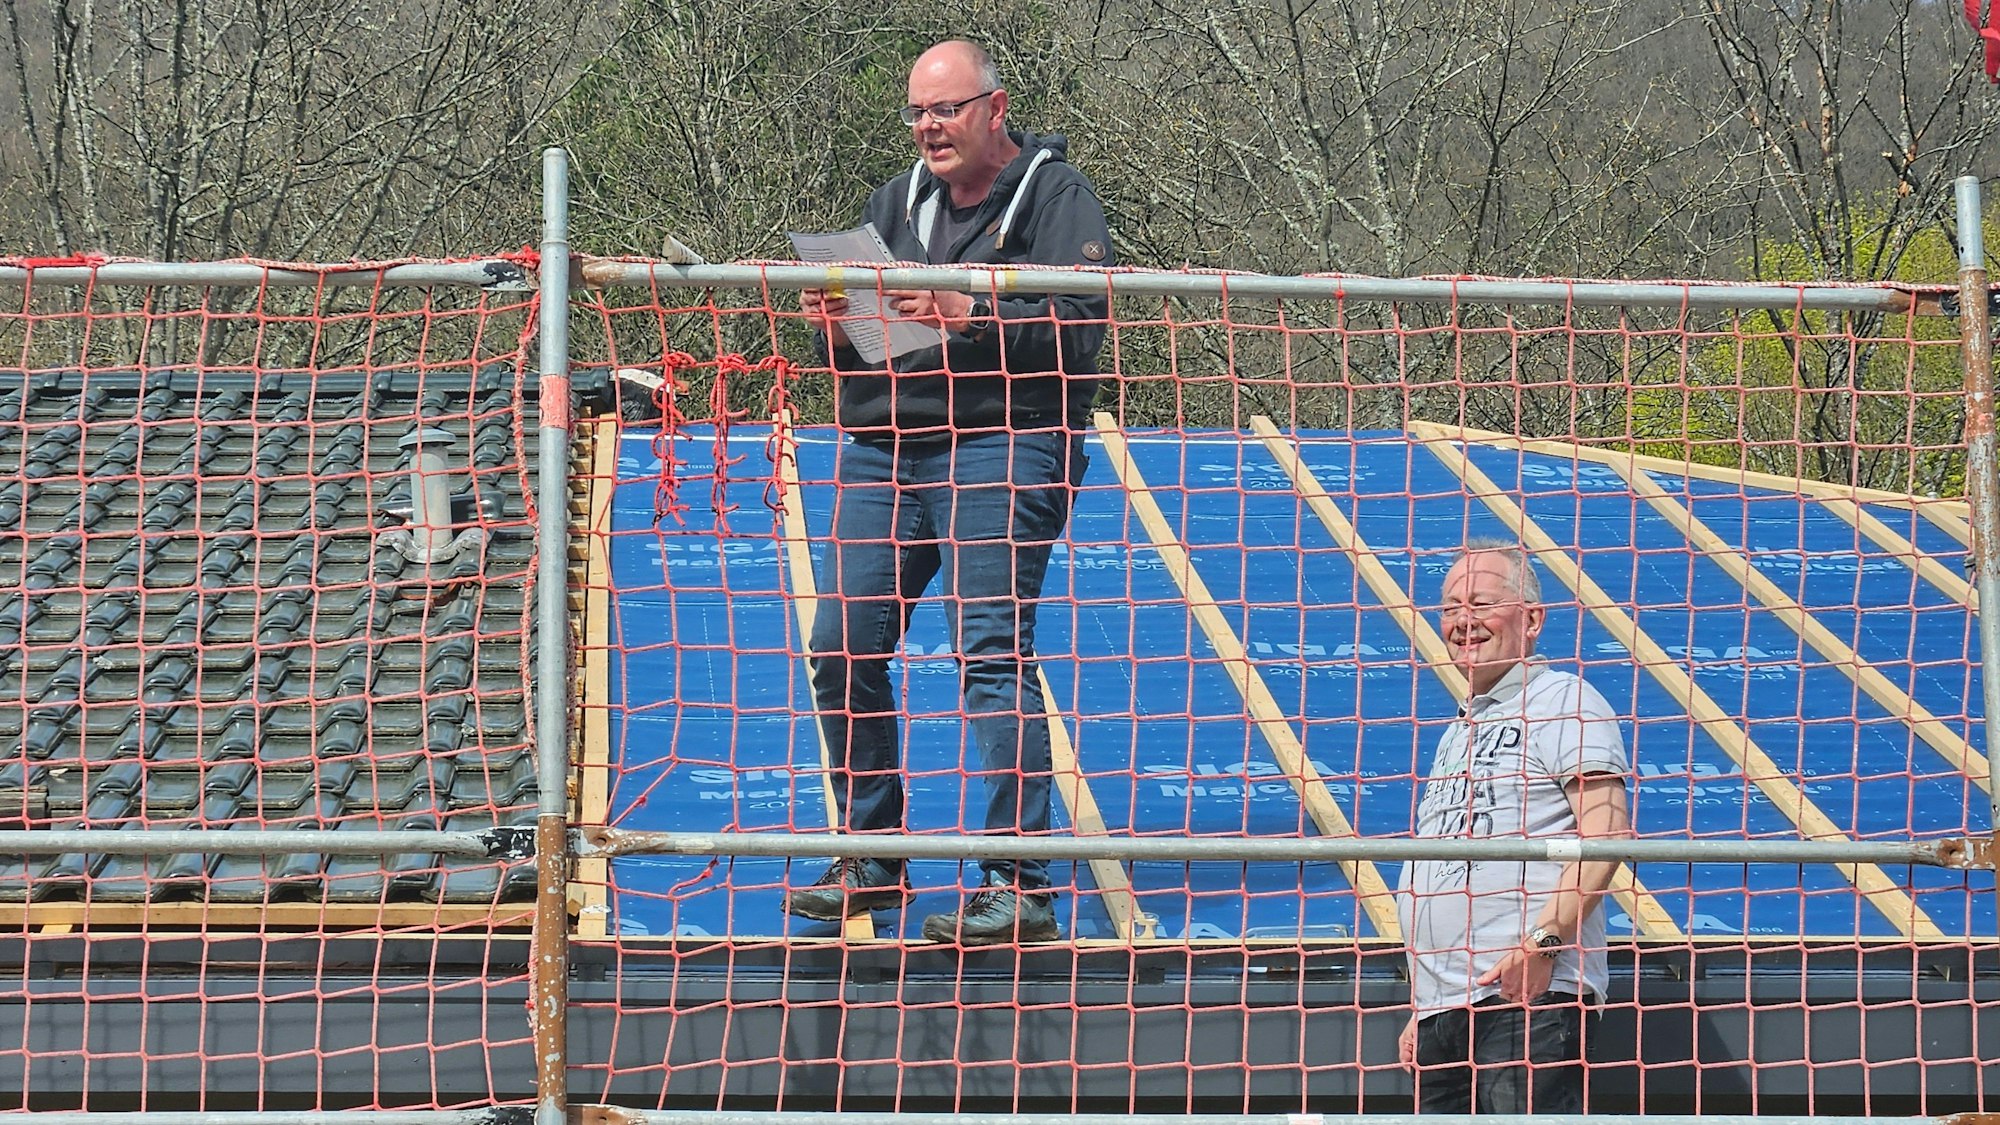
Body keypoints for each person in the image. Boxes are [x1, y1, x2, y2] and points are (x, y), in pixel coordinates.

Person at [784, 39, 1113, 945]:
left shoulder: (1055, 193)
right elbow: (866, 344)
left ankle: (1017, 882)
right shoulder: (894, 204)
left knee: (989, 652)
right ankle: (873, 857)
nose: (930, 127)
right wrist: (836, 327)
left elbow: (1082, 328)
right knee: (841, 641)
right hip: (885, 449)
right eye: (918, 113)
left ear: (995, 109)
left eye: (947, 110)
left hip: (1003, 447)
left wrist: (972, 315)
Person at [1396, 540, 1632, 1112]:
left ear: (1531, 619)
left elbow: (1608, 833)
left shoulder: (1564, 700)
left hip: (1528, 998)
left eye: (1480, 603)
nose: (1462, 622)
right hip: (1445, 1011)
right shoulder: (1461, 729)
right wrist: (1423, 1003)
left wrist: (1543, 945)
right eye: (1450, 608)